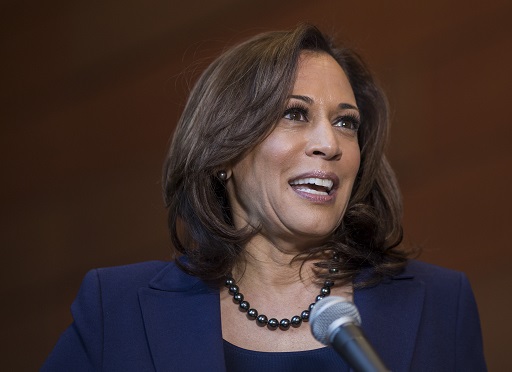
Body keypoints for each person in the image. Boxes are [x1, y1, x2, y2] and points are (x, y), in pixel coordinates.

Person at [43, 24, 487, 371]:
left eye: (346, 123)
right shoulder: (117, 309)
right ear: (224, 153)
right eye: (295, 114)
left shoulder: (440, 303)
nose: (329, 143)